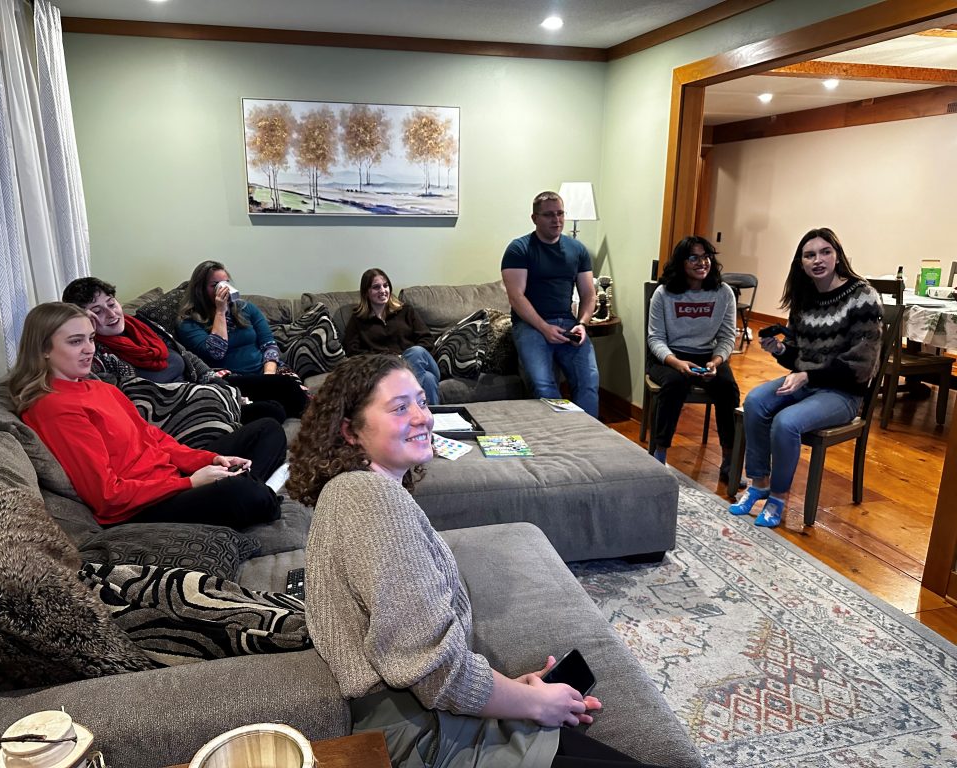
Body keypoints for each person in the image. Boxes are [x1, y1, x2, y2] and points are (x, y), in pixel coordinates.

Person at [286, 353, 668, 768]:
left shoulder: (358, 494)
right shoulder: (369, 499)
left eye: (421, 401)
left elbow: (424, 658)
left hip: (437, 718)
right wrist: (530, 703)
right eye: (399, 408)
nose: (422, 417)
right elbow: (431, 671)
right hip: (428, 739)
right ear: (350, 431)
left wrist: (510, 691)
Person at [10, 302, 285, 528]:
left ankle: (254, 490)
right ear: (44, 349)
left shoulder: (98, 387)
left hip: (168, 477)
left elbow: (155, 438)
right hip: (143, 505)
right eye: (75, 341)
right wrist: (190, 482)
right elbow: (107, 497)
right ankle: (259, 494)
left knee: (267, 429)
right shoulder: (53, 408)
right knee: (240, 493)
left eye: (91, 338)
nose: (89, 349)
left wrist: (211, 459)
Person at [728, 228, 882, 528]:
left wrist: (806, 375)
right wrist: (780, 349)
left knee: (787, 423)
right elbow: (798, 356)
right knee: (756, 400)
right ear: (801, 263)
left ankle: (778, 497)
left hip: (843, 393)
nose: (818, 260)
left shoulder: (862, 296)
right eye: (809, 255)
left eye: (825, 252)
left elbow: (862, 366)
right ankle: (758, 482)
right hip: (809, 382)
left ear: (837, 256)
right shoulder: (805, 297)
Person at [62, 276, 287, 423]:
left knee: (284, 389)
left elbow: (189, 358)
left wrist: (223, 390)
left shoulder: (143, 325)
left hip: (203, 386)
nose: (111, 315)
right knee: (272, 412)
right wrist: (87, 333)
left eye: (111, 304)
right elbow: (129, 402)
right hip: (183, 409)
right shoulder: (96, 354)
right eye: (97, 312)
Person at [501, 191, 600, 417]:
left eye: (560, 213)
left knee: (589, 380)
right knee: (543, 385)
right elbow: (516, 297)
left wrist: (582, 324)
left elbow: (588, 294)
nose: (556, 220)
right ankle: (558, 439)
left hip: (568, 323)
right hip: (531, 325)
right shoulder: (519, 249)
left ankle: (587, 439)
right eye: (548, 215)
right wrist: (544, 328)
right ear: (535, 218)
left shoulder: (578, 249)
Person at [647, 236, 739, 477]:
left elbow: (728, 336)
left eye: (706, 257)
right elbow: (655, 338)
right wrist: (676, 363)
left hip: (708, 356)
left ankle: (729, 460)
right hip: (669, 356)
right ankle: (660, 454)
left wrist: (716, 362)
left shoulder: (724, 293)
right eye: (694, 258)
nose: (703, 263)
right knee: (675, 385)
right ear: (681, 262)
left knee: (728, 388)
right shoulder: (663, 293)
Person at [175, 260, 310, 418]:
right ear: (200, 290)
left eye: (225, 282)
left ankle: (276, 405)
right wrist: (220, 311)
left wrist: (268, 376)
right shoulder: (188, 322)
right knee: (286, 392)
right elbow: (215, 353)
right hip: (231, 378)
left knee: (287, 390)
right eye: (215, 285)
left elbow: (269, 345)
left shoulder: (246, 308)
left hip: (266, 372)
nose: (223, 288)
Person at [343, 267, 441, 405]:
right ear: (366, 292)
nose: (383, 290)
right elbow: (353, 351)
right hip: (386, 368)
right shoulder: (359, 319)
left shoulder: (406, 311)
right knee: (429, 379)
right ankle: (431, 420)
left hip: (419, 361)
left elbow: (427, 340)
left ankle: (404, 399)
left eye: (385, 285)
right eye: (376, 287)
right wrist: (389, 358)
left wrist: (405, 357)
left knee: (416, 352)